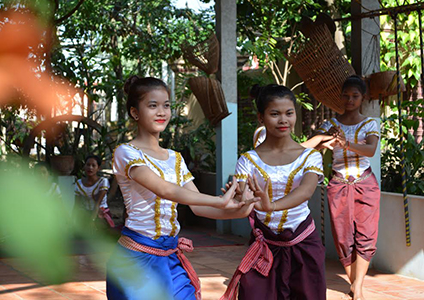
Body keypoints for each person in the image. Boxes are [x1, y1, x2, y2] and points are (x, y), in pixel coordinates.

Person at [107, 76, 256, 300]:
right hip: (137, 259)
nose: (162, 112)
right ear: (135, 113)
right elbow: (164, 190)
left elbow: (197, 206)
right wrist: (219, 200)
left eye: (166, 105)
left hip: (170, 257)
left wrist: (241, 209)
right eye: (152, 105)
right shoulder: (126, 153)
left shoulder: (175, 158)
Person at [220, 84, 327, 300]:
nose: (283, 120)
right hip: (264, 245)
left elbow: (306, 191)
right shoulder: (247, 160)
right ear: (261, 117)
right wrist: (238, 197)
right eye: (274, 114)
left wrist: (272, 206)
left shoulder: (310, 157)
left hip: (303, 243)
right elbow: (244, 197)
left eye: (289, 113)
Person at [303, 75, 380, 300]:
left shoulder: (370, 124)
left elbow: (371, 150)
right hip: (338, 183)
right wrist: (323, 140)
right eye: (345, 96)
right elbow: (310, 145)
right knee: (343, 237)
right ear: (340, 97)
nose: (349, 100)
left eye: (355, 96)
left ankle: (359, 287)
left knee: (366, 235)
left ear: (362, 98)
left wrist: (345, 143)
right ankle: (354, 283)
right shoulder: (331, 124)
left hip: (365, 183)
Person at [74, 155, 114, 228]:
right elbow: (77, 205)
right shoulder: (78, 184)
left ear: (98, 168)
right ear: (84, 167)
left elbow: (97, 203)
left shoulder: (103, 182)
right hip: (85, 214)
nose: (90, 168)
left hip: (100, 214)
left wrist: (92, 221)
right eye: (88, 165)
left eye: (93, 165)